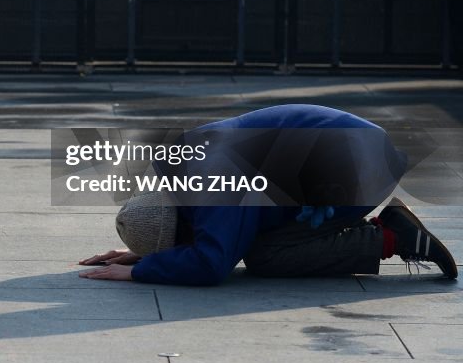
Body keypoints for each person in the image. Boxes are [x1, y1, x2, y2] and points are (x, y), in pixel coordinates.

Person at [78, 105, 458, 285]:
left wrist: (142, 270)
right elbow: (204, 237)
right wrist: (149, 247)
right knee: (251, 234)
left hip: (364, 170)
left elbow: (212, 264)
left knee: (264, 256)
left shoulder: (214, 189)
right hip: (361, 146)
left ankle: (390, 235)